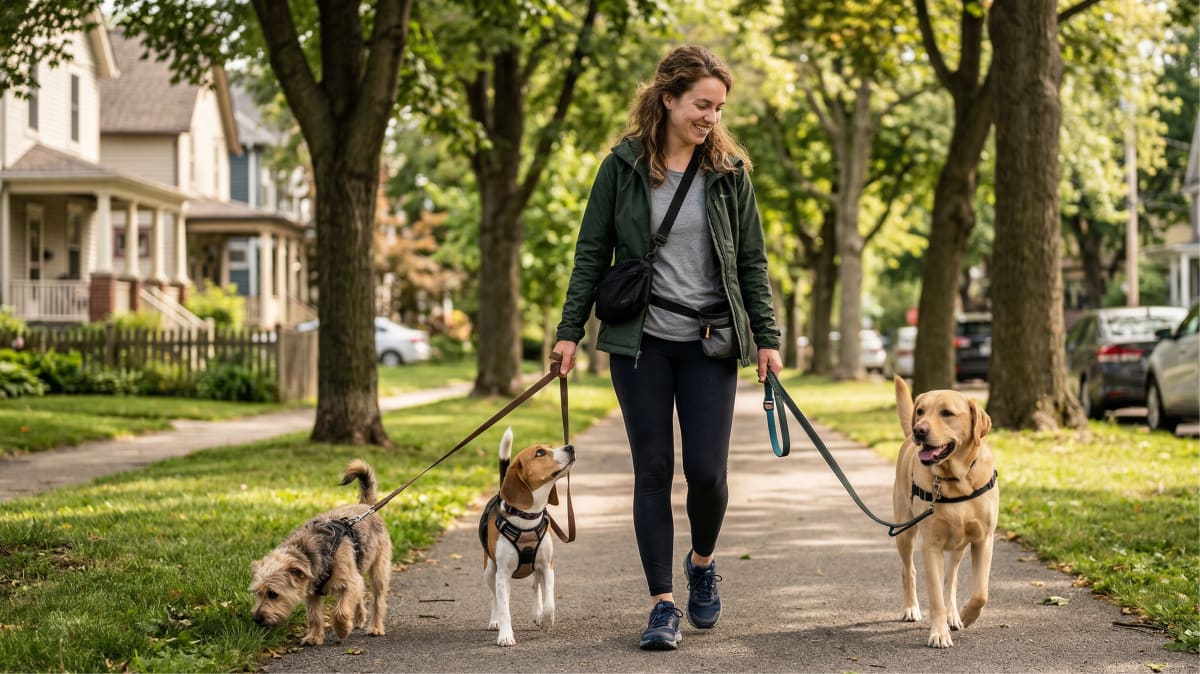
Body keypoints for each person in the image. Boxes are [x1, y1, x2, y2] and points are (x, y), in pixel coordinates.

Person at [552, 45, 782, 651]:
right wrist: (569, 331)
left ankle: (702, 563)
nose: (711, 116)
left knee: (706, 473)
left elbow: (752, 263)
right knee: (652, 470)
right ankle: (661, 604)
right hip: (639, 344)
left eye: (718, 107)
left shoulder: (730, 172)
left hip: (710, 341)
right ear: (669, 98)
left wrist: (767, 340)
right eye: (701, 104)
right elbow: (589, 255)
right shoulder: (621, 167)